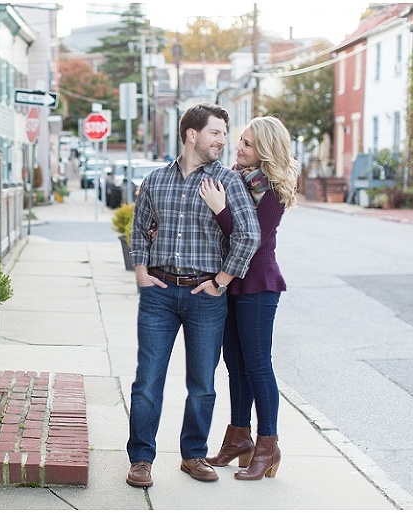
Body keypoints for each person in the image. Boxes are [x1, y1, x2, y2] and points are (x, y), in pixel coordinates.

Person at [125, 103, 260, 488]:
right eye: (216, 132)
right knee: (148, 380)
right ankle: (141, 460)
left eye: (224, 133)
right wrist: (140, 272)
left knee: (202, 383)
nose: (223, 140)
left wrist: (221, 281)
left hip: (205, 297)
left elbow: (249, 235)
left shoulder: (229, 183)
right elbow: (139, 229)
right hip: (159, 294)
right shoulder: (154, 180)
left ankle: (193, 454)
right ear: (191, 134)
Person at [198, 116, 297, 480]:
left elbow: (248, 237)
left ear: (266, 150)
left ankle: (268, 444)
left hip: (258, 285)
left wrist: (220, 209)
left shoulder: (273, 191)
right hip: (231, 284)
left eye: (248, 144)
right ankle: (238, 437)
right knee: (234, 364)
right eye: (239, 141)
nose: (238, 148)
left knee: (257, 364)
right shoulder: (233, 180)